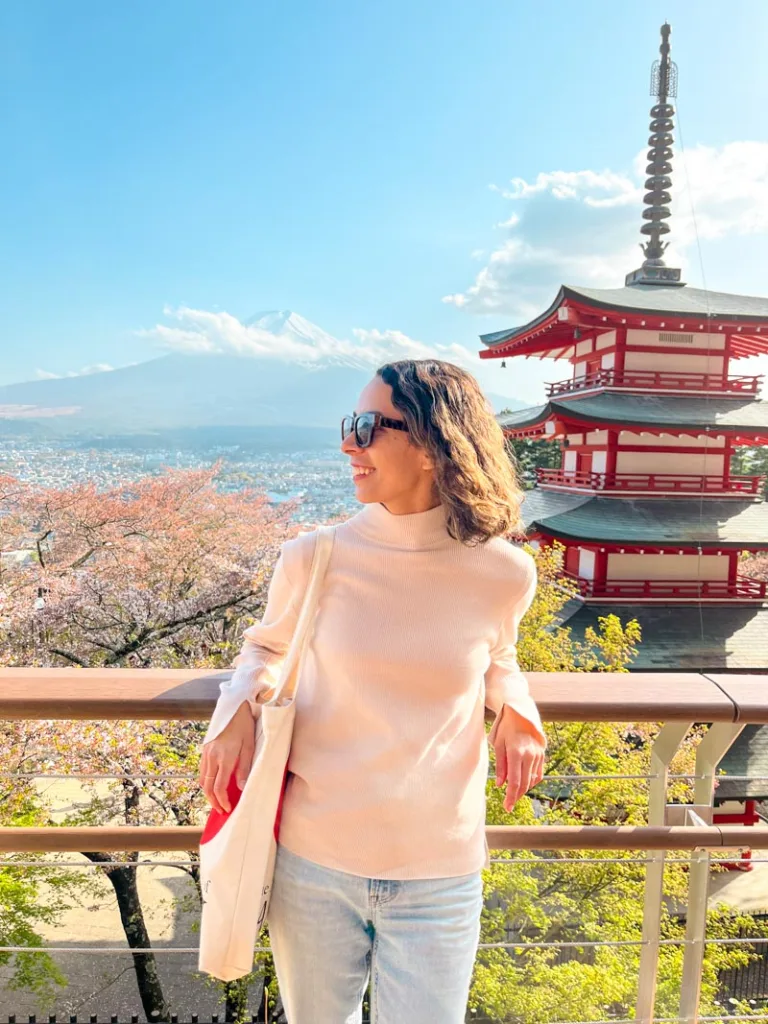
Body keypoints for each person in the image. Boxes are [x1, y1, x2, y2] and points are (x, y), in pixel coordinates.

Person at [199, 359, 546, 1024]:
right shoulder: (316, 557)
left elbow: (498, 654)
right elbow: (265, 647)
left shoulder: (503, 573)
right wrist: (238, 707)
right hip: (315, 861)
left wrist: (517, 709)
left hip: (439, 868)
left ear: (430, 441)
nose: (347, 445)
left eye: (365, 427)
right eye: (348, 426)